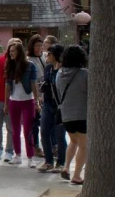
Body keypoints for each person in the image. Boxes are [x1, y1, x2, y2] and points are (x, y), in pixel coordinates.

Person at [3, 41, 40, 167]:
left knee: (28, 130)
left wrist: (36, 101)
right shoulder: (9, 65)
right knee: (15, 130)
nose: (11, 53)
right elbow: (7, 86)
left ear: (20, 52)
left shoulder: (30, 66)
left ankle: (30, 157)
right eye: (10, 51)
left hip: (28, 101)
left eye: (13, 51)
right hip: (14, 101)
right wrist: (6, 103)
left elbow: (34, 84)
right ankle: (17, 155)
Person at [56, 45, 89, 185]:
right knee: (84, 145)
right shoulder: (85, 74)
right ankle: (76, 175)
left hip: (66, 115)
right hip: (82, 114)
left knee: (74, 141)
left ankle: (66, 167)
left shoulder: (59, 73)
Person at [38, 44, 67, 173]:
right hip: (48, 103)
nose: (46, 55)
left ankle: (61, 162)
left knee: (60, 134)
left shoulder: (64, 70)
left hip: (60, 106)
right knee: (44, 131)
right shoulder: (48, 68)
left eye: (49, 53)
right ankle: (48, 161)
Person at [26, 35, 47, 158]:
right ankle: (35, 146)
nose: (39, 48)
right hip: (36, 95)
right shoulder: (29, 60)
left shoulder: (44, 57)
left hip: (46, 94)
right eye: (37, 46)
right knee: (35, 123)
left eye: (41, 45)